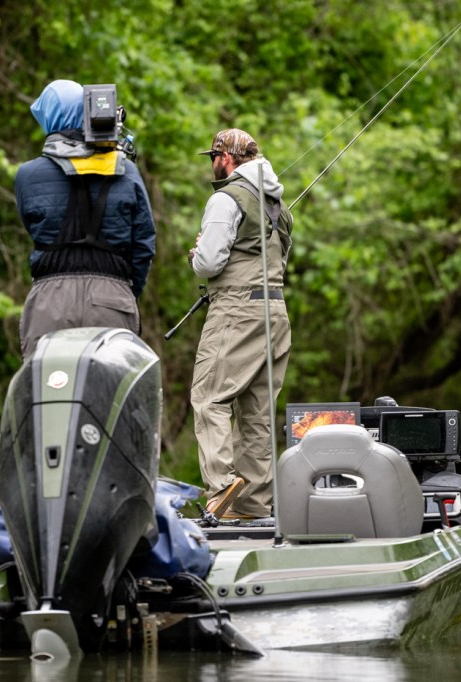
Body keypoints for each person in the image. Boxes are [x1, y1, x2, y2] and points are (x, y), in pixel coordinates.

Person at [188, 128, 293, 520]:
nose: (212, 165)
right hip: (276, 312)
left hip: (236, 309)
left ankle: (221, 487)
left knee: (209, 398)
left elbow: (209, 263)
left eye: (213, 158)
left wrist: (195, 255)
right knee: (258, 412)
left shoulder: (225, 198)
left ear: (226, 159)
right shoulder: (280, 207)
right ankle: (252, 504)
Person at [14, 79, 156, 358]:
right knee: (111, 384)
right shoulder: (126, 171)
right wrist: (124, 293)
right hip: (113, 301)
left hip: (49, 302)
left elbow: (31, 228)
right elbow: (144, 246)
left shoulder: (27, 175)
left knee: (49, 383)